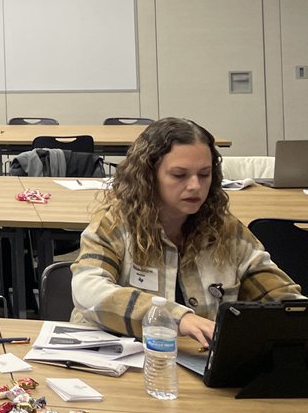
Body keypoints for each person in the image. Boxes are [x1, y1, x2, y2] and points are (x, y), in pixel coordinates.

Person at [71, 117, 302, 345]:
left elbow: (278, 294)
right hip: (123, 364)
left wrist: (299, 315)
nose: (195, 186)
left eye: (204, 175)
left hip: (198, 365)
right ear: (149, 176)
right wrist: (177, 317)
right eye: (179, 175)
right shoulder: (114, 224)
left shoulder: (225, 229)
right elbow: (88, 290)